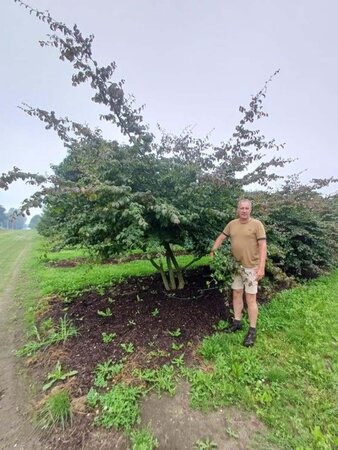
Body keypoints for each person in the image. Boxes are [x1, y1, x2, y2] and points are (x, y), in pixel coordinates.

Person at [210, 199, 267, 347]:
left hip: (251, 268)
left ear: (250, 210)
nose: (244, 210)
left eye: (247, 208)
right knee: (236, 293)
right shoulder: (232, 224)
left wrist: (261, 267)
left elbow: (262, 246)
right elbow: (221, 237)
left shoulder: (257, 225)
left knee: (251, 299)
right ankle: (237, 322)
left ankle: (252, 330)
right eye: (241, 208)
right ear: (238, 209)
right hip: (235, 266)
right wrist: (213, 251)